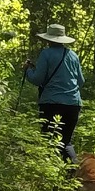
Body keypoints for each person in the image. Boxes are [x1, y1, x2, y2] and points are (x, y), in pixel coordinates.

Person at [23, 23, 85, 158]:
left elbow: (37, 79)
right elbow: (81, 81)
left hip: (51, 103)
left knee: (49, 140)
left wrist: (28, 71)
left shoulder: (46, 54)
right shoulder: (73, 55)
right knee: (66, 142)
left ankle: (49, 169)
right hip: (73, 104)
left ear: (48, 39)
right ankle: (72, 169)